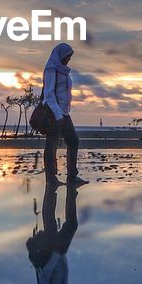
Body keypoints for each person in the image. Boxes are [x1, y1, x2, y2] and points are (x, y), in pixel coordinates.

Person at [26, 174, 79, 284]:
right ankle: (69, 192)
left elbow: (44, 277)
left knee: (52, 222)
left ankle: (53, 191)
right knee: (71, 225)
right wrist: (61, 256)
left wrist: (56, 255)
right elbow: (62, 275)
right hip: (58, 253)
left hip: (52, 254)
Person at [42, 42, 86, 184]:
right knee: (52, 144)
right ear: (60, 56)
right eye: (67, 56)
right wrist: (58, 115)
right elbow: (49, 94)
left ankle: (71, 177)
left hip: (63, 112)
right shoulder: (51, 70)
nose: (69, 59)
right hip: (54, 113)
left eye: (70, 56)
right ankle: (51, 178)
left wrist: (64, 112)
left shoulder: (63, 71)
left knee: (73, 142)